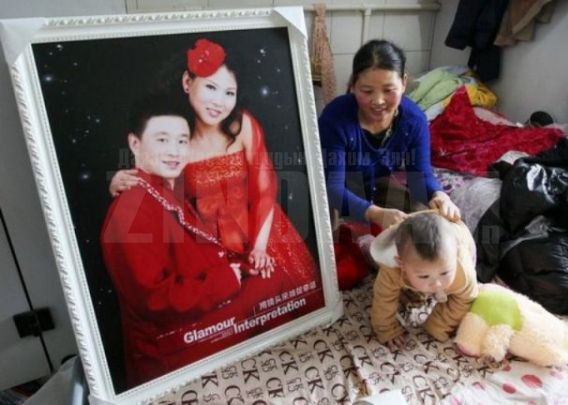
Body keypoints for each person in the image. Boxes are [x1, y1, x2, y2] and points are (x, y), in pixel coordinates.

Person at [101, 93, 301, 387]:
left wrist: (240, 268)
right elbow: (153, 300)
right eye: (162, 140)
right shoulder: (130, 208)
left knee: (274, 280)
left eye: (182, 141)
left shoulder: (164, 189)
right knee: (274, 289)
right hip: (174, 343)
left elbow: (198, 252)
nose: (174, 151)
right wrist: (228, 279)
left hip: (196, 310)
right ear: (135, 143)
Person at [110, 38, 320, 287]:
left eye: (229, 93)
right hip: (210, 245)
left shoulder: (242, 125)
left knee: (286, 290)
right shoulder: (176, 136)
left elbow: (264, 190)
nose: (219, 102)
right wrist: (119, 181)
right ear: (187, 82)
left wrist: (259, 248)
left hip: (261, 233)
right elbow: (159, 189)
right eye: (211, 87)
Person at [319, 39, 461, 232]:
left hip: (376, 185)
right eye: (367, 91)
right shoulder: (335, 118)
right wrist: (375, 214)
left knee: (426, 220)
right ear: (353, 85)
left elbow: (420, 177)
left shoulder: (413, 120)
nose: (378, 101)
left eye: (388, 90)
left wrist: (438, 195)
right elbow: (332, 187)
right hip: (337, 190)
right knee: (327, 230)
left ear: (403, 83)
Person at [369, 210, 478, 350]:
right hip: (408, 238)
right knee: (376, 266)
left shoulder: (462, 272)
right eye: (424, 276)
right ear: (402, 264)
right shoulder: (392, 268)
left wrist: (439, 324)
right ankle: (366, 242)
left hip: (460, 237)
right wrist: (386, 329)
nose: (437, 283)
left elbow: (465, 299)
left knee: (445, 315)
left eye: (444, 273)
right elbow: (384, 298)